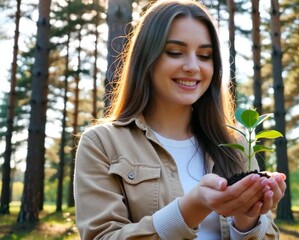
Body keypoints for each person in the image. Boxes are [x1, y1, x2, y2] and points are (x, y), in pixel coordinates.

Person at [74, 0, 286, 239]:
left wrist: (247, 216)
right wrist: (192, 207)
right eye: (175, 52)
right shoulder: (102, 143)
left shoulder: (235, 143)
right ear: (146, 58)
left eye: (205, 56)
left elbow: (269, 234)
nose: (193, 66)